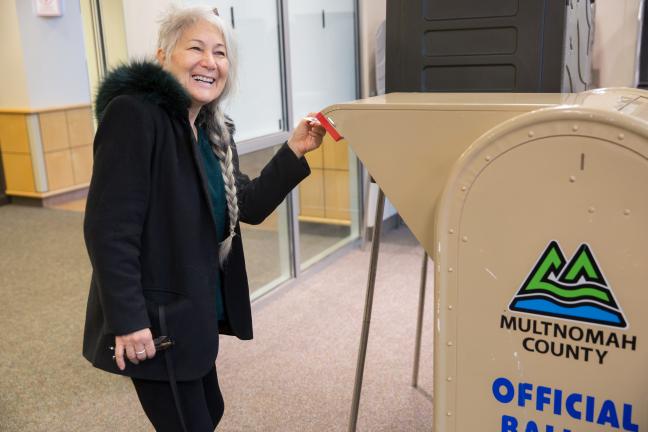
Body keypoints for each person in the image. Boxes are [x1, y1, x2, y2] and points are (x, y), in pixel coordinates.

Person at [82, 6, 325, 431]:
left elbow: (245, 205)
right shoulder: (134, 116)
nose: (210, 62)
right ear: (164, 56)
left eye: (220, 53)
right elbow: (109, 229)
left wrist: (293, 151)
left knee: (210, 413)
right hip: (155, 319)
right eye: (196, 48)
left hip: (193, 311)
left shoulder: (213, 129)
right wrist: (129, 321)